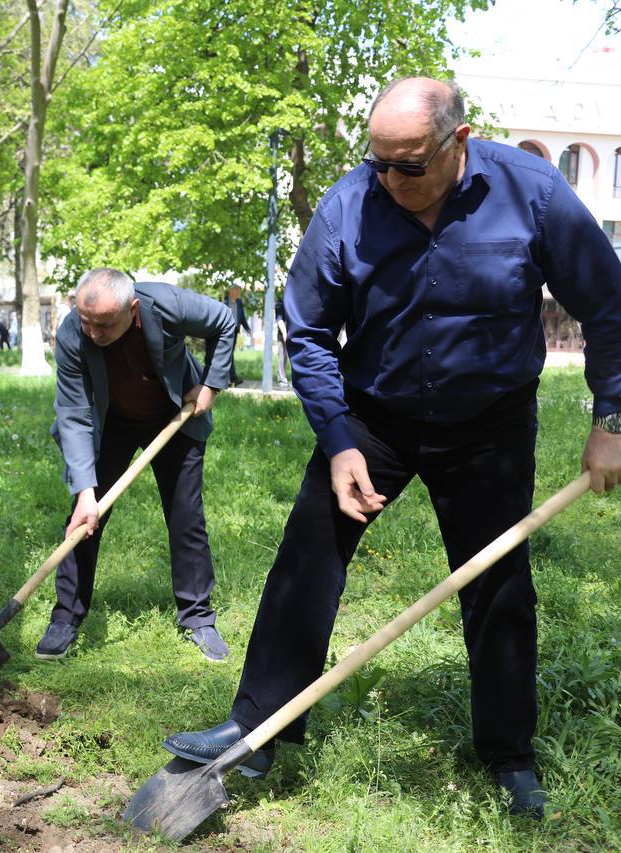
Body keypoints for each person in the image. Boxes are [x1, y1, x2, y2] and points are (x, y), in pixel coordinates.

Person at [164, 77, 621, 817]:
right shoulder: (349, 205)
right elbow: (308, 332)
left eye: (408, 164)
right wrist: (339, 441)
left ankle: (509, 753)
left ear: (458, 143)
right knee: (307, 556)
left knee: (499, 586)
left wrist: (613, 420)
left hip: (490, 423)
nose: (390, 179)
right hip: (375, 415)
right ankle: (256, 728)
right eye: (378, 161)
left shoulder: (532, 194)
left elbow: (609, 305)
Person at [38, 269, 238, 662]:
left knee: (186, 517)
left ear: (132, 309)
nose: (93, 333)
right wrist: (85, 491)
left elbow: (224, 321)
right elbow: (75, 414)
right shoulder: (71, 335)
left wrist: (211, 386)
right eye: (86, 321)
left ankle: (198, 617)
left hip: (173, 416)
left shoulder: (166, 304)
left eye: (104, 325)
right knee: (85, 520)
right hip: (109, 424)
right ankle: (65, 617)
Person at [222, 285, 250, 386]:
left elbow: (242, 317)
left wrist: (247, 328)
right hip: (225, 330)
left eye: (239, 291)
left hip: (235, 330)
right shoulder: (224, 301)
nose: (238, 293)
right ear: (231, 291)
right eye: (237, 291)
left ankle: (231, 379)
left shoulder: (239, 302)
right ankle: (231, 379)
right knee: (227, 354)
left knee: (229, 354)